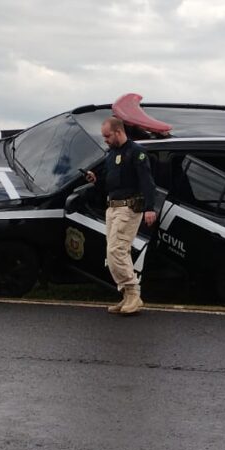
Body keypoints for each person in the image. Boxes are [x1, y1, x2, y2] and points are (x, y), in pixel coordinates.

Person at [85, 117, 157, 315]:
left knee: (117, 250)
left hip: (129, 208)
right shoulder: (111, 155)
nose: (105, 140)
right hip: (112, 207)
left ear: (118, 132)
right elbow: (109, 185)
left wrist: (150, 208)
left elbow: (146, 182)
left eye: (107, 136)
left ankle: (134, 293)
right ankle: (126, 295)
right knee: (114, 253)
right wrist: (95, 181)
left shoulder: (136, 153)